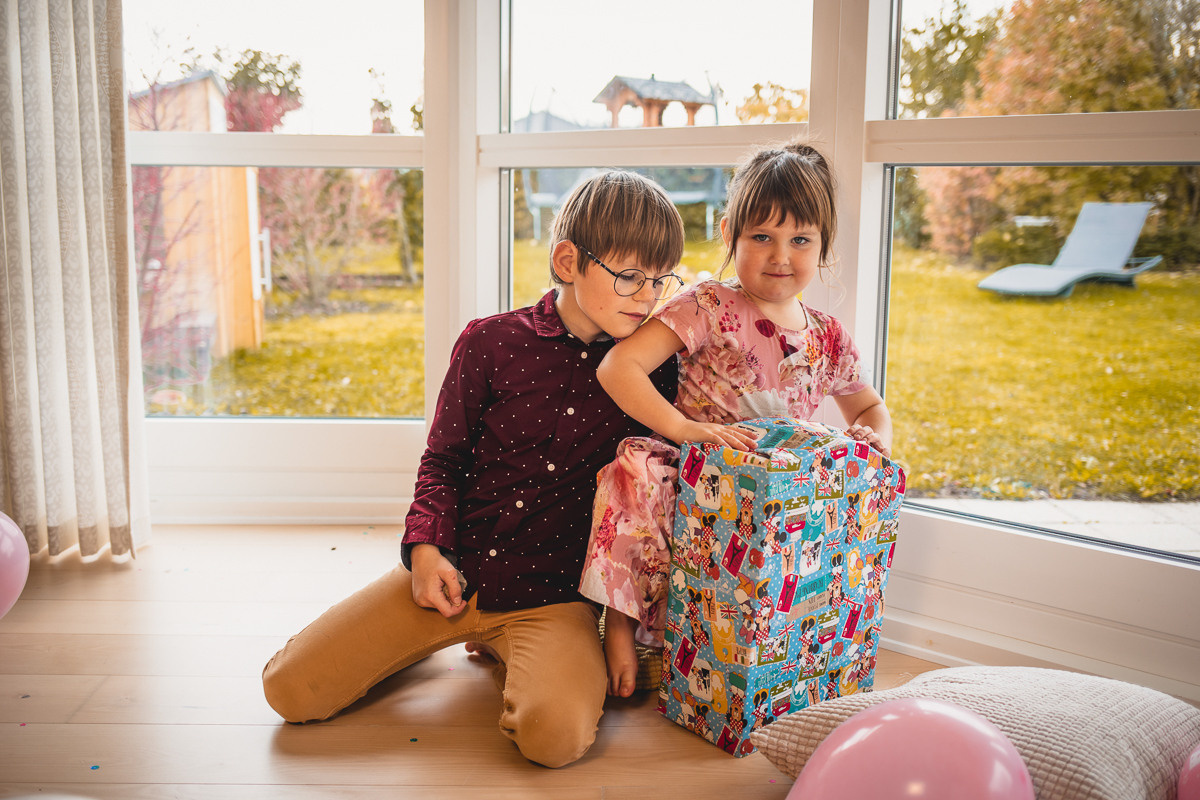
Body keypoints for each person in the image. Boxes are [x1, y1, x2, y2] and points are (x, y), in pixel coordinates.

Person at [261, 170, 683, 768]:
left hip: (554, 598)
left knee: (555, 740)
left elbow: (640, 506)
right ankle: (445, 642)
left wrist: (619, 627)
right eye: (629, 276)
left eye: (661, 281)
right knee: (289, 692)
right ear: (567, 260)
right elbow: (443, 460)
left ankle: (517, 656)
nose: (647, 296)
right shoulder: (490, 342)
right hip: (457, 571)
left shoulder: (654, 373)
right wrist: (426, 551)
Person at [578, 140, 894, 698]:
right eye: (762, 237)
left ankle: (801, 649)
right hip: (704, 474)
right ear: (729, 234)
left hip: (779, 493)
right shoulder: (707, 305)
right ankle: (620, 626)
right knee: (636, 473)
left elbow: (866, 406)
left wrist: (873, 436)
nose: (781, 255)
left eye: (800, 240)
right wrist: (685, 431)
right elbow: (619, 367)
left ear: (824, 246)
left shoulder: (827, 335)